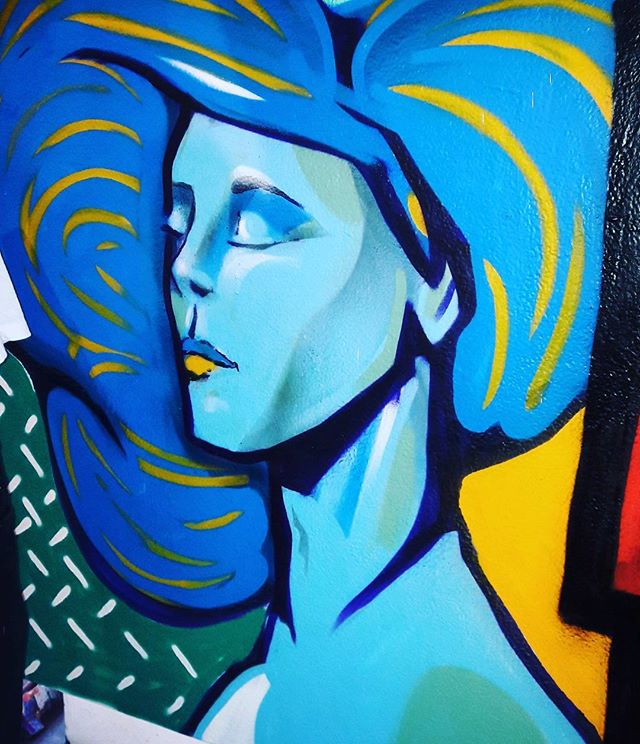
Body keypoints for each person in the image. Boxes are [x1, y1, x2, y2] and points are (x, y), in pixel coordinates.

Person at [0, 0, 613, 741]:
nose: (186, 269)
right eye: (177, 224)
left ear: (435, 283)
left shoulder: (448, 701)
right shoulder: (276, 681)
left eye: (257, 223)